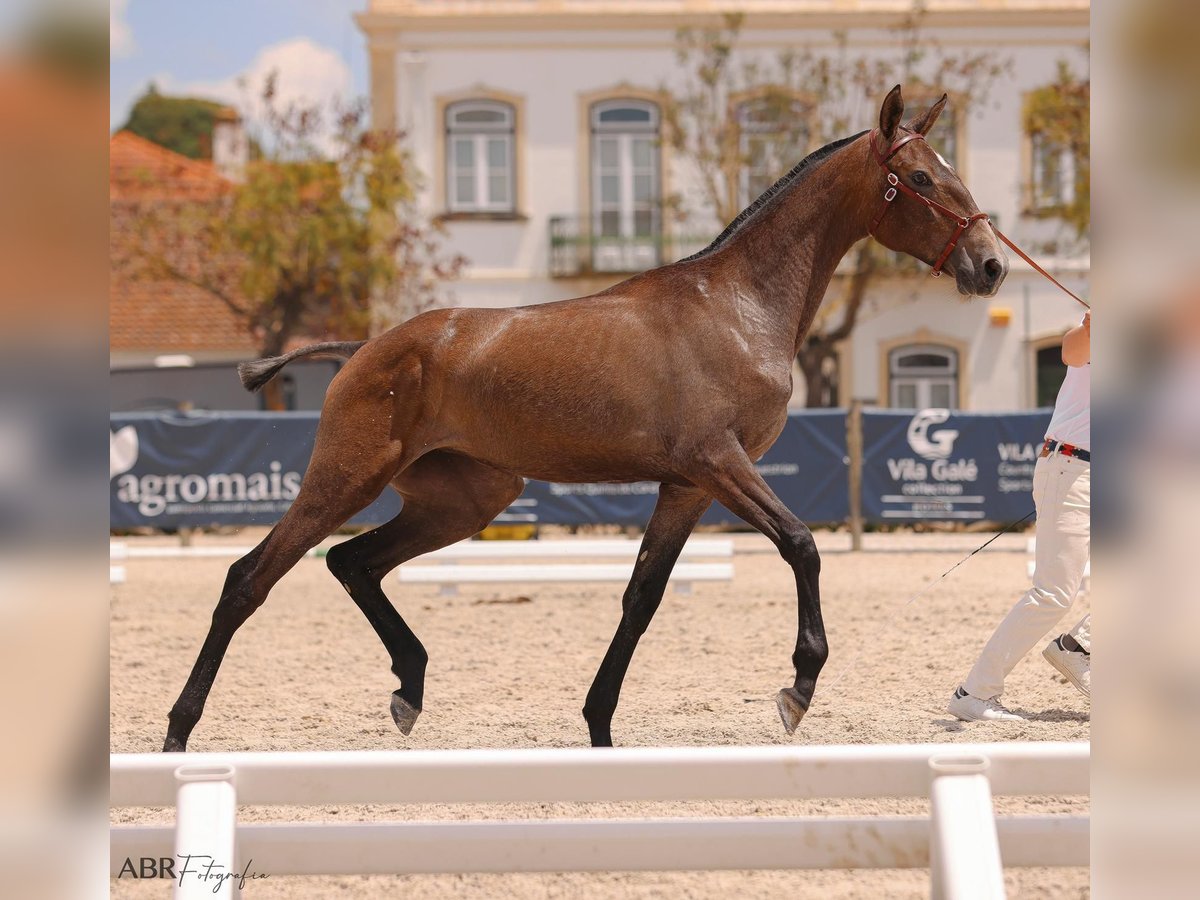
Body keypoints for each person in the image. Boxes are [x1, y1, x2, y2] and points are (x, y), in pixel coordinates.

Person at [948, 311, 1091, 721]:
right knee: (1053, 593)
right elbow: (1072, 349)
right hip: (1073, 469)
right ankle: (974, 692)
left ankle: (1079, 647)